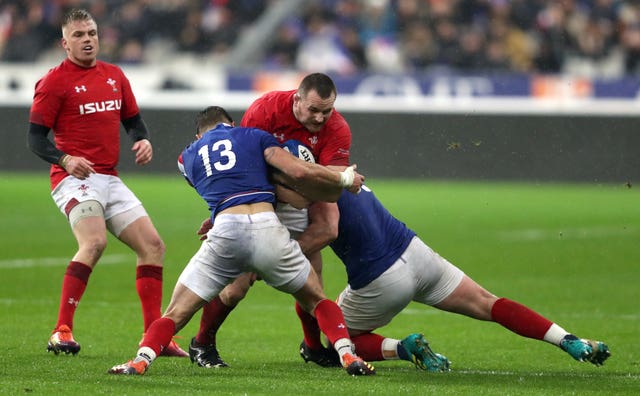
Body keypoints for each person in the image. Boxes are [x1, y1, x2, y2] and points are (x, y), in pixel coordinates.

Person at [107, 106, 375, 376]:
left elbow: (222, 184)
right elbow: (297, 172)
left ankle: (140, 361)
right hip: (268, 228)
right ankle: (348, 355)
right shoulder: (254, 136)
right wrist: (343, 177)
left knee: (175, 313)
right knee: (316, 299)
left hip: (226, 231)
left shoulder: (186, 157)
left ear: (199, 136)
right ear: (232, 124)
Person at [282, 182, 612, 370]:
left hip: (382, 279)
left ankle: (403, 348)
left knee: (337, 338)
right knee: (488, 303)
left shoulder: (311, 193)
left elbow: (323, 234)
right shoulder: (343, 174)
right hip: (417, 253)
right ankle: (568, 339)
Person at [26, 8, 187, 357]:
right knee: (95, 241)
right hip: (73, 178)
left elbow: (133, 121)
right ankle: (61, 330)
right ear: (64, 42)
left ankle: (153, 336)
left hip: (109, 178)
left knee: (153, 247)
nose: (88, 40)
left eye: (92, 33)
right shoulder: (54, 82)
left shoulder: (114, 75)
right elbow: (35, 139)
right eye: (80, 35)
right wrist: (65, 159)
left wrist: (142, 140)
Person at [188, 72, 353, 368]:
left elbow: (331, 186)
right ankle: (202, 342)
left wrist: (299, 189)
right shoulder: (266, 109)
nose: (319, 118)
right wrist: (288, 189)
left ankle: (313, 347)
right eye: (313, 110)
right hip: (261, 194)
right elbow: (242, 166)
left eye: (326, 111)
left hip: (308, 191)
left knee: (325, 237)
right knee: (236, 287)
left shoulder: (337, 128)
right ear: (296, 99)